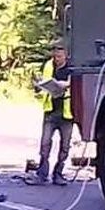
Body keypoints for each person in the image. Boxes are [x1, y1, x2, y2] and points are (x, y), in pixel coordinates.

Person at [33, 41, 75, 186]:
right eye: (55, 56)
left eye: (60, 56)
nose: (57, 59)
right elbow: (43, 83)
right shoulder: (48, 66)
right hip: (50, 110)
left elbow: (74, 84)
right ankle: (42, 173)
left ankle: (58, 173)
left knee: (65, 146)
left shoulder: (71, 68)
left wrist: (64, 85)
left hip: (66, 113)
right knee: (45, 144)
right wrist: (38, 86)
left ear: (66, 56)